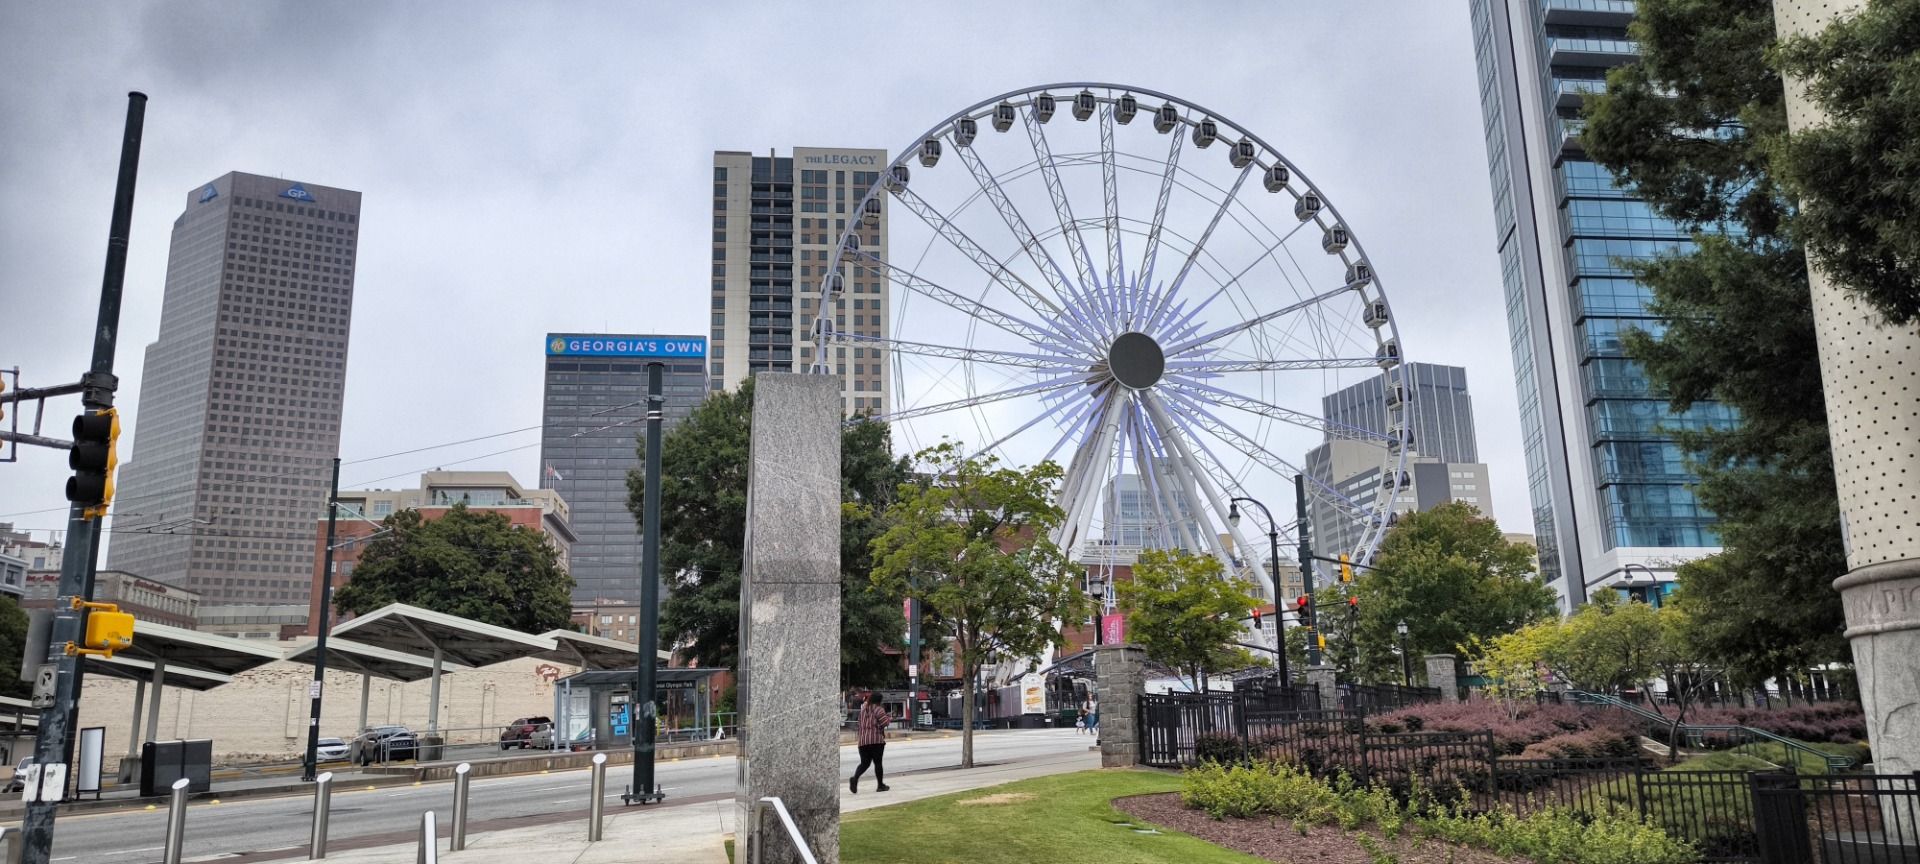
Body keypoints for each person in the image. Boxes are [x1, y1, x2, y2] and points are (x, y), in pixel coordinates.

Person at [850, 691, 891, 793]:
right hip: (876, 740)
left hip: (863, 741)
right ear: (879, 701)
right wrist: (889, 718)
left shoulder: (863, 710)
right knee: (878, 763)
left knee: (864, 763)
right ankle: (880, 785)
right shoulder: (879, 709)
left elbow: (859, 724)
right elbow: (884, 723)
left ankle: (855, 778)